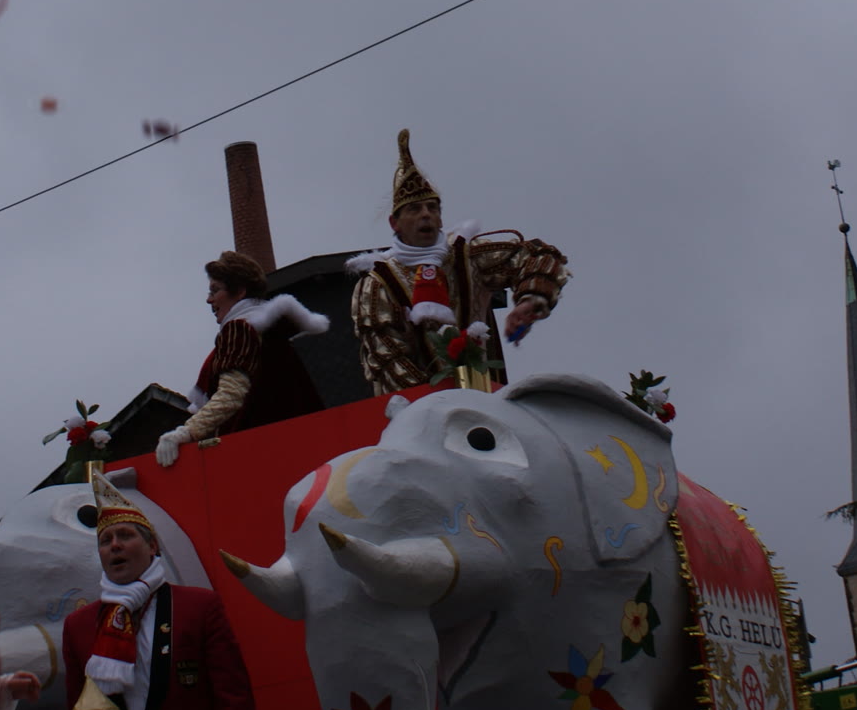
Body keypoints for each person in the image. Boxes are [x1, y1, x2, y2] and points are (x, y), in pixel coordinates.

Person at [348, 128, 571, 395]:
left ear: (441, 218)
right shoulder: (378, 282)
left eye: (432, 208)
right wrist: (436, 402)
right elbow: (386, 356)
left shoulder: (467, 256)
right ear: (394, 223)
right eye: (414, 209)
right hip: (417, 407)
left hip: (485, 396)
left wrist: (530, 301)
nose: (426, 215)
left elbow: (537, 257)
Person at [60, 473, 255, 710]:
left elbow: (233, 700)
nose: (115, 545)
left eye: (125, 535)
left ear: (152, 546)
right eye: (105, 541)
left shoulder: (198, 607)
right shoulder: (79, 625)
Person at [154, 251, 326, 468]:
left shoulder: (239, 330)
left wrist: (184, 433)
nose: (209, 299)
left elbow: (231, 395)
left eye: (215, 290)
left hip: (258, 454)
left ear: (240, 292)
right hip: (303, 446)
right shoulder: (273, 334)